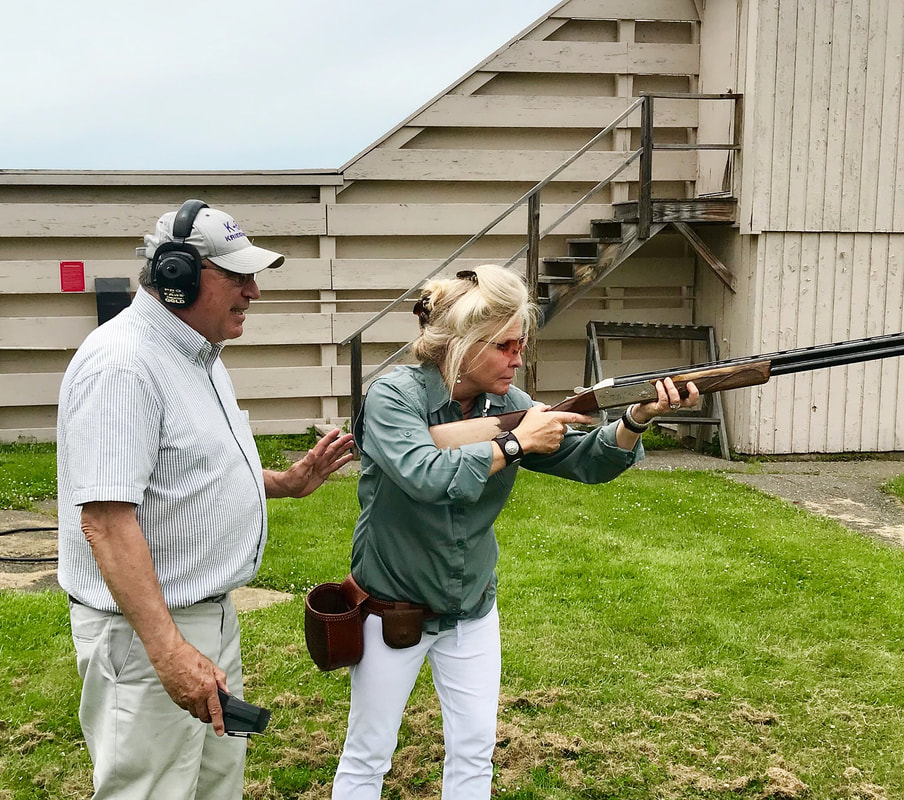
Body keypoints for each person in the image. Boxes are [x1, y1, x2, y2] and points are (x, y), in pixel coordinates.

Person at [331, 264, 699, 799]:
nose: (517, 358)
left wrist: (637, 418)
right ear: (461, 346)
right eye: (503, 347)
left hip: (472, 607)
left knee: (476, 752)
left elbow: (585, 460)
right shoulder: (393, 398)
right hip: (392, 609)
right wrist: (513, 445)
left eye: (519, 344)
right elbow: (425, 476)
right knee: (369, 754)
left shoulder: (514, 405)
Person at [57, 200, 354, 800]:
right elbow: (107, 523)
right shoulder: (122, 366)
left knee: (216, 787)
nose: (254, 293)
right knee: (149, 791)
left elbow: (189, 473)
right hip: (150, 633)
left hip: (208, 617)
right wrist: (168, 652)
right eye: (239, 277)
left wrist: (284, 482)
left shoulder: (198, 355)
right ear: (177, 277)